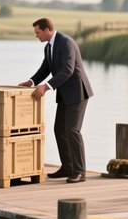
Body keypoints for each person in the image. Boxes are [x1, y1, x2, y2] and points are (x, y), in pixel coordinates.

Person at [19, 18, 93, 183]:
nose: (36, 36)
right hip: (65, 94)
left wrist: (46, 87)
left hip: (77, 92)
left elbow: (68, 69)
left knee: (72, 130)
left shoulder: (66, 43)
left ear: (47, 30)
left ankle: (80, 171)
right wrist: (31, 82)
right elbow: (45, 68)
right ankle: (67, 167)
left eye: (37, 32)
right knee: (59, 129)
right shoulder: (49, 47)